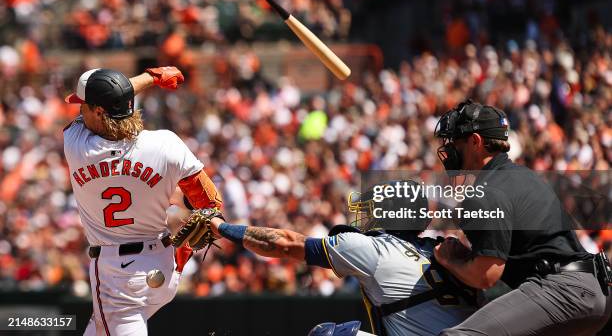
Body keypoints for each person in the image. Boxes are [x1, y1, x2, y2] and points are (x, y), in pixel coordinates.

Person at [63, 67, 223, 336]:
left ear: (99, 111)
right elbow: (210, 201)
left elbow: (106, 103)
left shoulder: (76, 145)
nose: (80, 112)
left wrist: (151, 77)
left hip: (119, 279)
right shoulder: (166, 144)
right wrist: (183, 252)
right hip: (163, 265)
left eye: (84, 107)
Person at [432, 99, 612, 336]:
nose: (450, 149)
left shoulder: (486, 190)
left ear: (475, 142)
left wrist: (449, 261)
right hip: (594, 290)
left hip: (564, 291)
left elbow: (485, 275)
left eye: (455, 142)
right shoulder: (523, 176)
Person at [206, 180, 477, 336]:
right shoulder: (447, 249)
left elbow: (286, 244)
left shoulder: (375, 250)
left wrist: (221, 226)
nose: (372, 214)